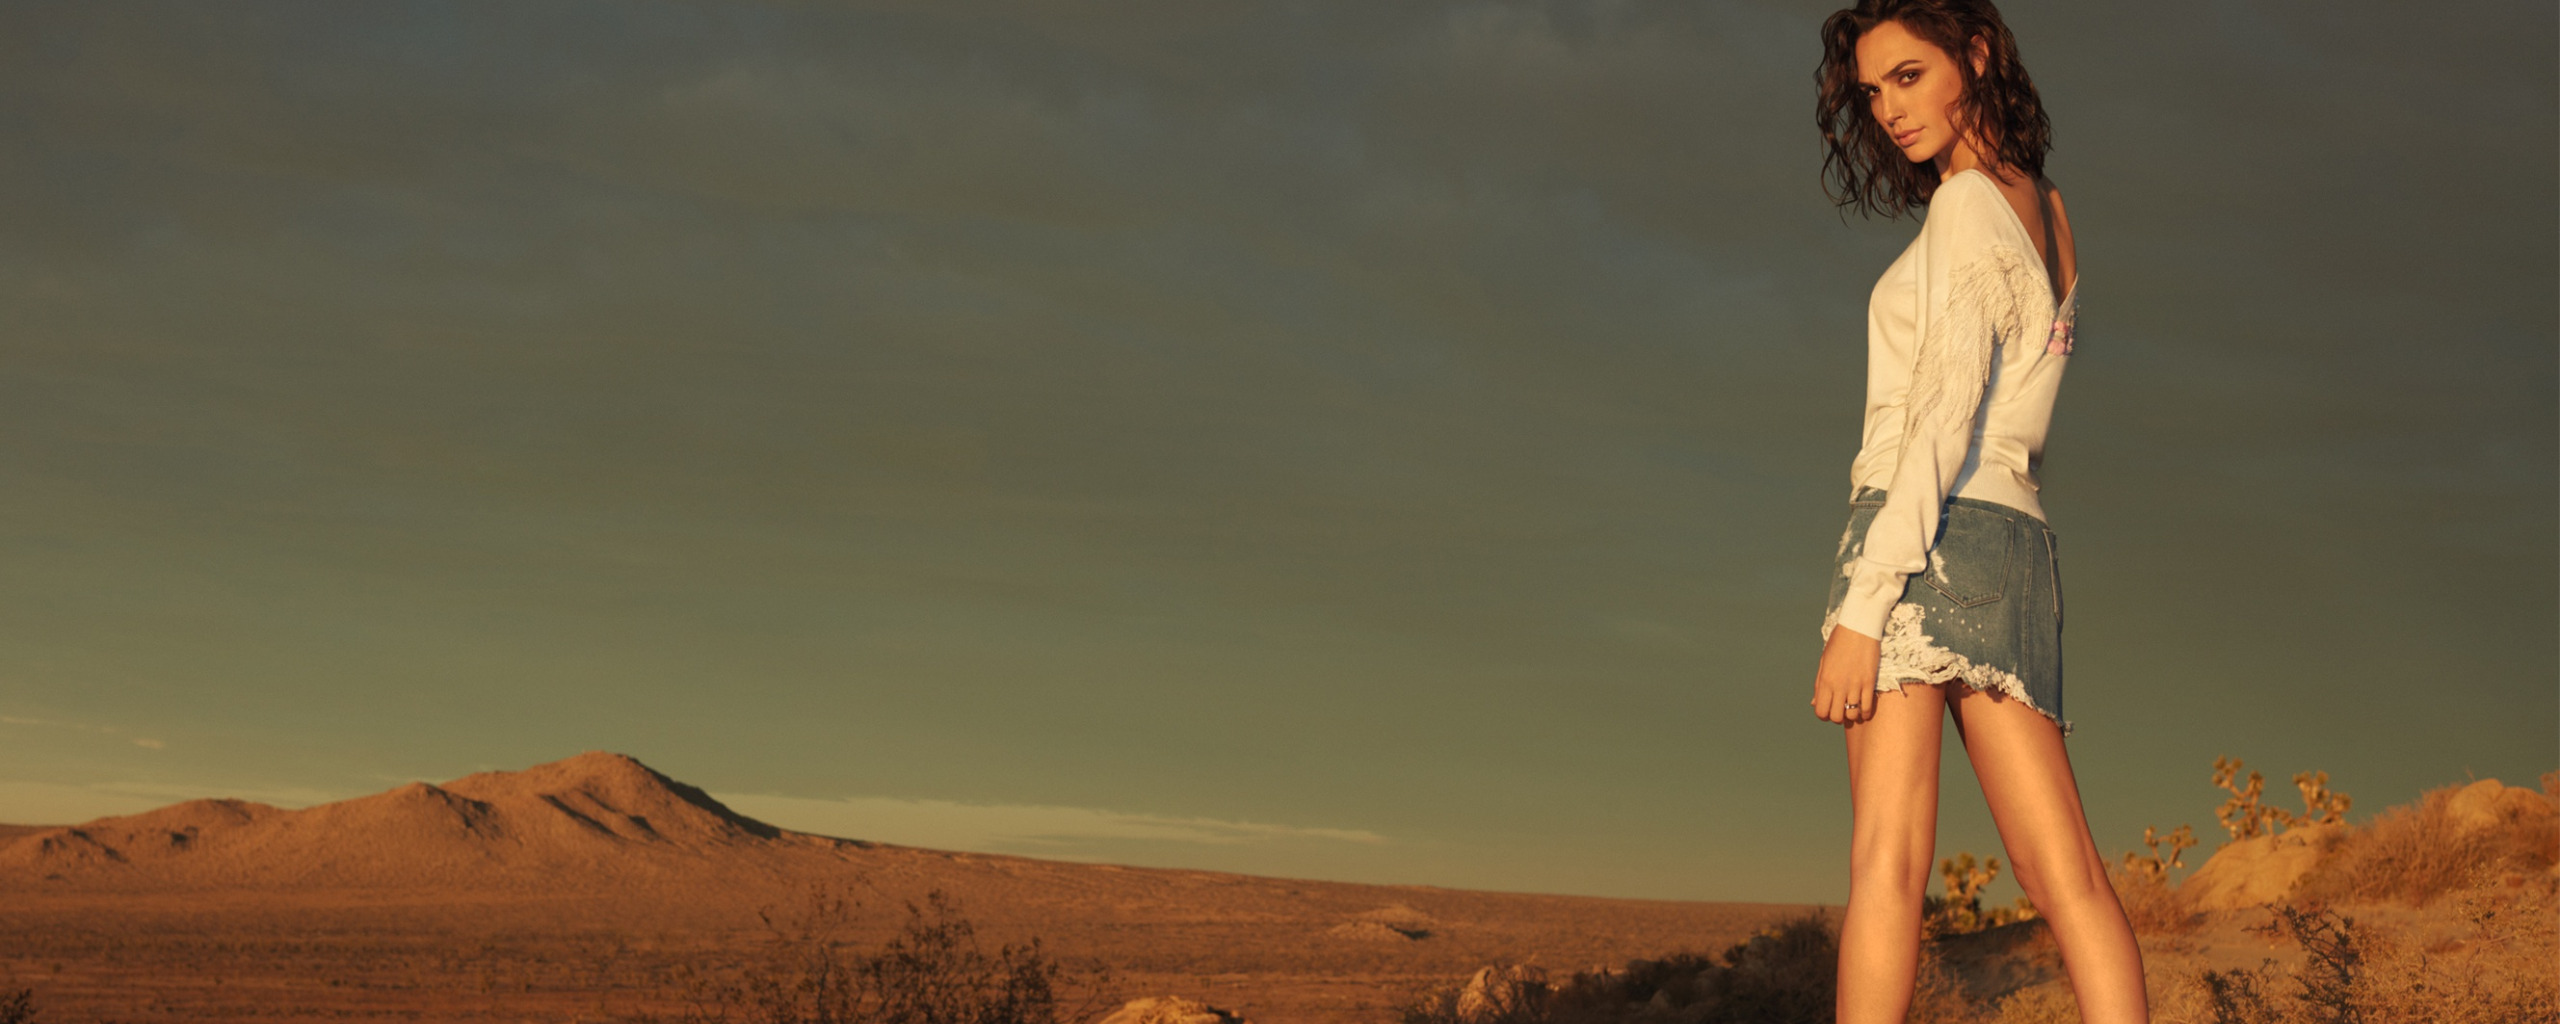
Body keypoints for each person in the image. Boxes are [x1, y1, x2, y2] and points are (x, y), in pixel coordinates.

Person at [1806, 2, 2148, 1022]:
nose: (1887, 111)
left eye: (1908, 76)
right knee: (2068, 876)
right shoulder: (2048, 207)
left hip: (1916, 539)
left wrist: (1864, 610)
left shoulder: (1962, 203)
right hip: (2015, 549)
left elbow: (1940, 416)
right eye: (1871, 92)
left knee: (1886, 864)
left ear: (1978, 55)